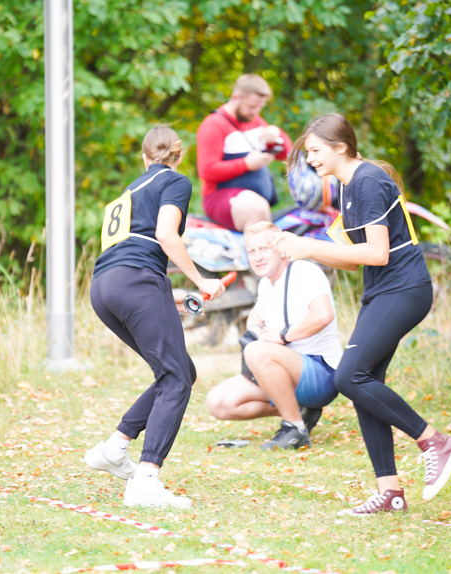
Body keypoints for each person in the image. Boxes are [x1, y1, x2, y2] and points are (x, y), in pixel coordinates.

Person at [273, 112, 451, 516]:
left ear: (340, 147)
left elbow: (376, 253)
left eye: (315, 151)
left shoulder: (368, 181)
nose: (310, 161)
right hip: (381, 291)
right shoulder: (347, 188)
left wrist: (308, 248)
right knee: (364, 383)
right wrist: (303, 247)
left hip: (404, 290)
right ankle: (390, 491)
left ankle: (434, 441)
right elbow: (352, 262)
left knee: (348, 376)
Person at [84, 125, 225, 509]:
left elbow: (136, 251)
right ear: (178, 156)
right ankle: (146, 479)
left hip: (104, 287)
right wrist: (202, 279)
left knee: (178, 372)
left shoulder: (127, 193)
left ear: (144, 157)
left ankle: (115, 448)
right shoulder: (175, 181)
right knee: (176, 376)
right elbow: (166, 235)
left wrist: (172, 298)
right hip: (136, 283)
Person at [205, 221, 343, 450]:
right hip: (286, 371)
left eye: (264, 249)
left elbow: (323, 315)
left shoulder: (303, 271)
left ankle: (294, 428)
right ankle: (299, 411)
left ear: (279, 248)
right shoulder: (267, 284)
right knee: (218, 402)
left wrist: (284, 336)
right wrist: (257, 331)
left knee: (256, 351)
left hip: (321, 372)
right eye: (252, 251)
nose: (257, 257)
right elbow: (255, 317)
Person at [196, 74, 293, 232]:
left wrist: (276, 134)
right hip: (220, 197)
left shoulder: (255, 121)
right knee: (256, 209)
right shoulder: (214, 125)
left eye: (260, 107)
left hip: (255, 198)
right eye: (251, 106)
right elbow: (206, 171)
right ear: (236, 97)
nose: (255, 112)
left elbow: (288, 153)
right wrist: (246, 164)